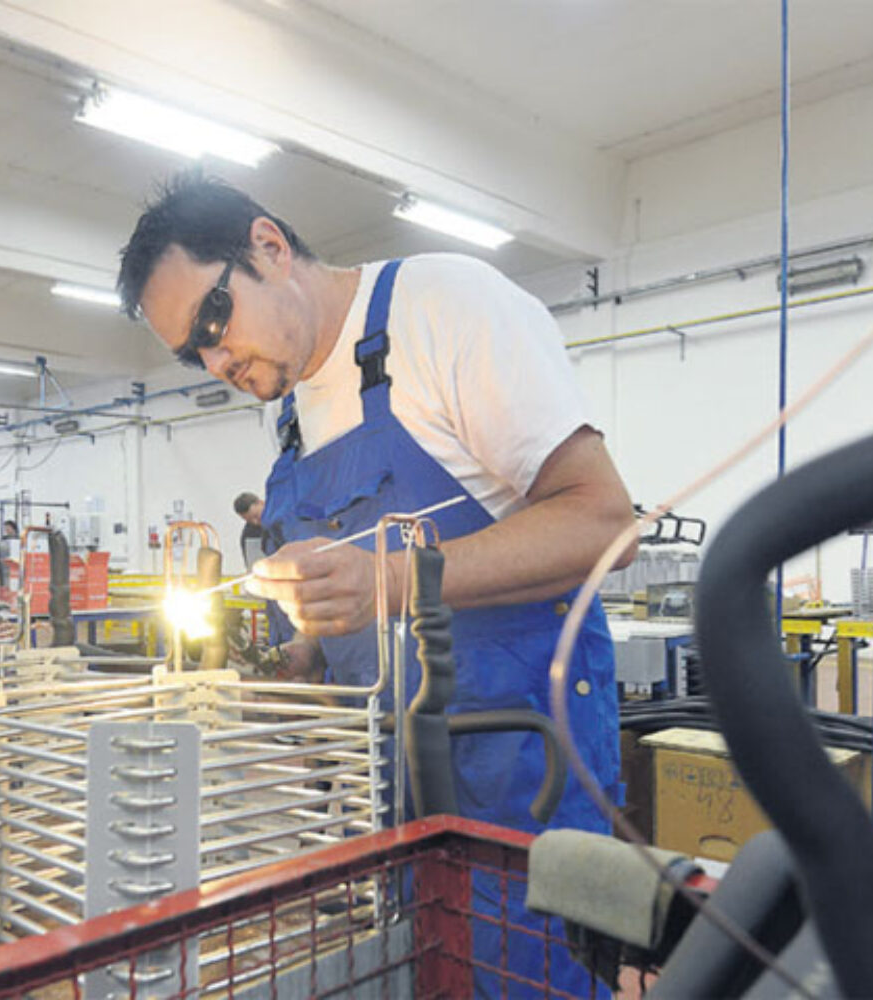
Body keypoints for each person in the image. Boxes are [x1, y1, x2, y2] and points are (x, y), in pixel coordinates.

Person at [117, 174, 634, 995]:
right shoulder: (293, 416)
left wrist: (391, 580)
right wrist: (291, 668)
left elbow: (604, 523)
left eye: (214, 322)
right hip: (393, 803)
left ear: (268, 247)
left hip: (526, 788)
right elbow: (347, 624)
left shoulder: (443, 308)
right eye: (193, 353)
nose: (216, 361)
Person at [233, 491, 292, 646]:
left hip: (290, 585)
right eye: (249, 520)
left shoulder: (285, 518)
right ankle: (278, 650)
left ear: (261, 502)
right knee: (276, 623)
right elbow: (252, 565)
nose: (255, 522)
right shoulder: (250, 533)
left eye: (256, 516)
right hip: (270, 588)